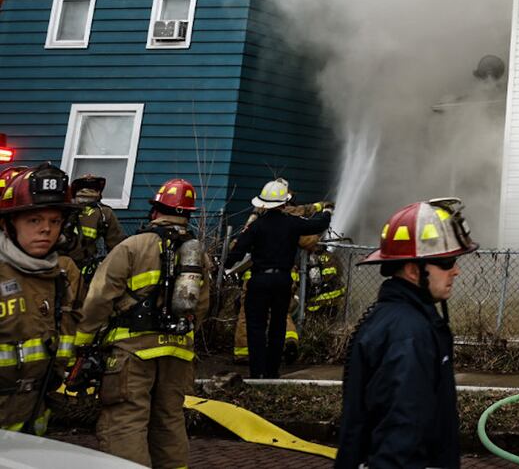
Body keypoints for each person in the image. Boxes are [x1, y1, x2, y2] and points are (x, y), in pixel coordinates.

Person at [79, 178, 210, 469]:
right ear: (186, 215)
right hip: (178, 352)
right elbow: (201, 306)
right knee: (169, 420)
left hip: (132, 352)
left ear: (155, 211)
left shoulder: (132, 247)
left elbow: (99, 298)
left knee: (126, 420)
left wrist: (82, 341)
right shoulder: (197, 254)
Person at [336, 198, 476, 469]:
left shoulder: (399, 320)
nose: (456, 271)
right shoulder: (408, 335)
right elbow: (401, 431)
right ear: (414, 270)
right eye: (446, 263)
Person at [0, 164, 82, 434]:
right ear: (9, 223)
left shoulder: (59, 276)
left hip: (33, 419)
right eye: (34, 220)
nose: (46, 229)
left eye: (54, 221)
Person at [224, 179, 331, 379]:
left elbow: (237, 252)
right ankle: (273, 372)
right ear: (284, 202)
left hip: (258, 282)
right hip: (282, 281)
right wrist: (328, 211)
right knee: (278, 325)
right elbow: (319, 225)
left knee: (255, 327)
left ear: (263, 203)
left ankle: (257, 372)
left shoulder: (256, 227)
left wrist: (226, 265)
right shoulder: (292, 223)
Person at [64, 174, 126, 282]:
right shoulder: (104, 213)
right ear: (98, 193)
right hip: (85, 274)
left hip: (59, 269)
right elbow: (118, 247)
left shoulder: (62, 210)